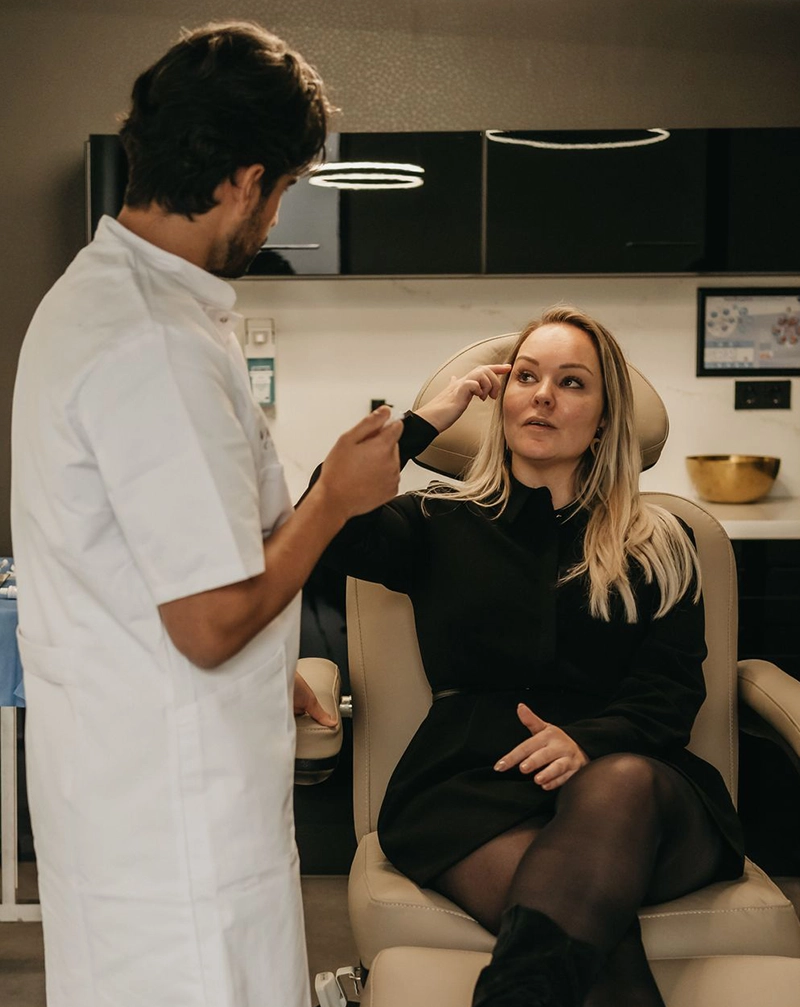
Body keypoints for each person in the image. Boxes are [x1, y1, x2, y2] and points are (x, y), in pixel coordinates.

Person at [10, 21, 402, 1007]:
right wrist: (333, 497)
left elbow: (156, 561)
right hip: (171, 814)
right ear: (243, 181)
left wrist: (274, 669)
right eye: (282, 189)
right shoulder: (154, 344)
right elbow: (209, 619)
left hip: (128, 771)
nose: (273, 216)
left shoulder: (107, 297)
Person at [311, 305, 745, 1007]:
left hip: (633, 787)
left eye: (572, 382)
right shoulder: (437, 520)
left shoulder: (660, 540)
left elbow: (669, 690)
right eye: (526, 377)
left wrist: (588, 741)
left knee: (619, 784)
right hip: (476, 790)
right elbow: (324, 515)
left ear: (603, 420)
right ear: (502, 398)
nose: (543, 395)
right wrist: (426, 421)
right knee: (587, 941)